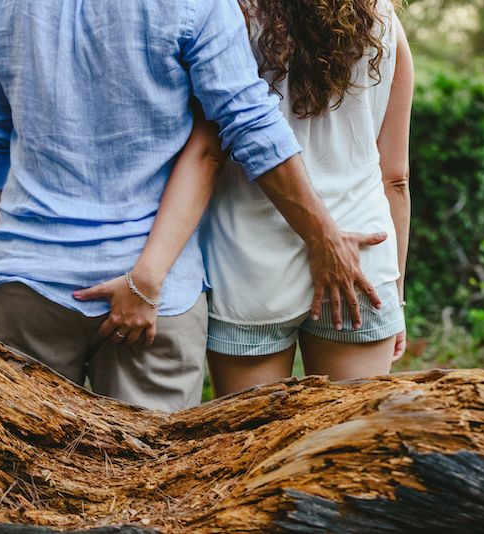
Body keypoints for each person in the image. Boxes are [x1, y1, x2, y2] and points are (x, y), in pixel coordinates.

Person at [0, 0, 384, 412]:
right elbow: (248, 125)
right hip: (155, 294)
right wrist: (323, 236)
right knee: (150, 478)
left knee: (18, 476)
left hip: (25, 280)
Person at [103, 0, 412, 397]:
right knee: (350, 448)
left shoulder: (233, 16)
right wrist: (395, 297)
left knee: (253, 449)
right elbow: (396, 178)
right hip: (361, 265)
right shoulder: (383, 22)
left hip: (249, 268)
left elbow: (208, 149)